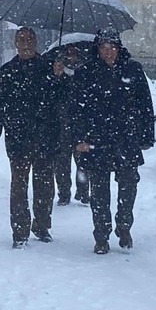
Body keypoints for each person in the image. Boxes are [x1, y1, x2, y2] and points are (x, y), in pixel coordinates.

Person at [71, 27, 155, 255]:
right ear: (97, 49)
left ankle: (124, 225)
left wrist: (146, 135)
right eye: (104, 47)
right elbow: (75, 110)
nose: (108, 52)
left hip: (126, 139)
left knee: (129, 185)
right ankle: (101, 235)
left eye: (112, 47)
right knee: (99, 191)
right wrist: (79, 139)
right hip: (96, 140)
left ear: (119, 48)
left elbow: (145, 106)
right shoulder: (85, 73)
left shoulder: (133, 70)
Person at [0, 27, 64, 249]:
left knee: (44, 184)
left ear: (36, 42)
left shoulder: (49, 68)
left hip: (45, 135)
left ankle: (41, 225)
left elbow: (61, 100)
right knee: (18, 186)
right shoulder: (6, 72)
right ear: (15, 44)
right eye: (22, 40)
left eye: (30, 40)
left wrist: (58, 78)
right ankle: (19, 230)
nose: (26, 44)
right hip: (18, 137)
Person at [49, 43, 90, 206]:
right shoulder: (58, 72)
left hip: (80, 125)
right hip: (61, 124)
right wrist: (56, 77)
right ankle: (64, 193)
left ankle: (83, 192)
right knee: (62, 162)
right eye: (68, 54)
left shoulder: (84, 73)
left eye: (74, 54)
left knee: (83, 161)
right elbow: (51, 96)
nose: (71, 56)